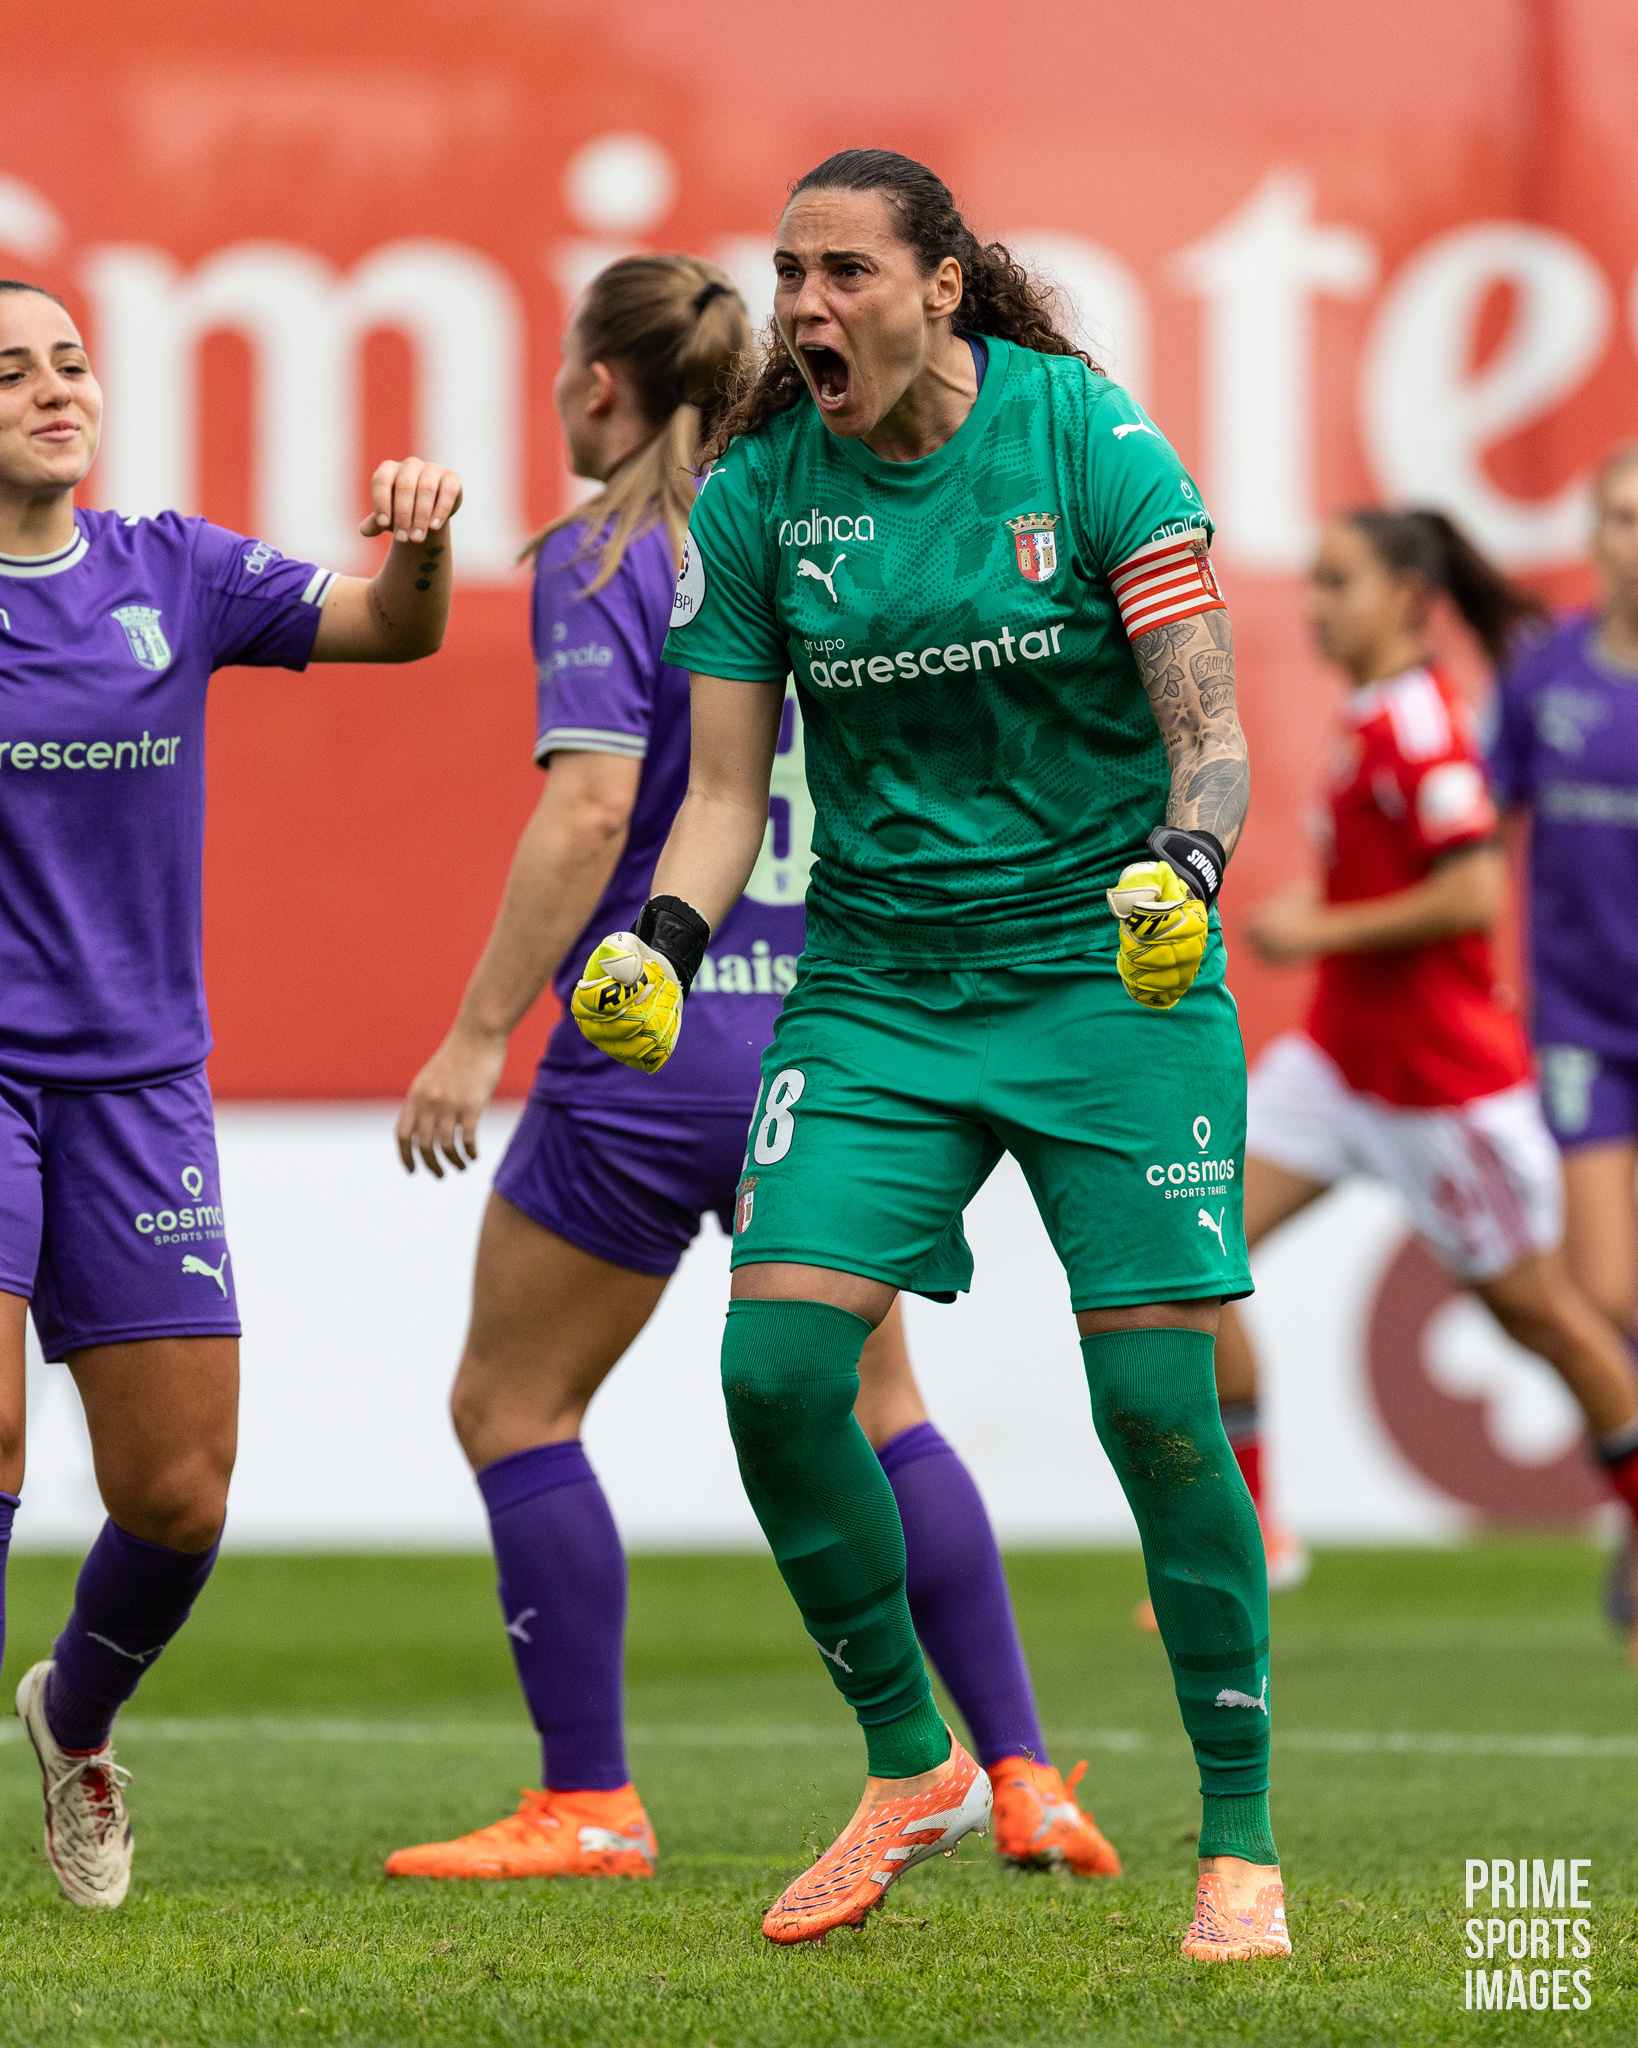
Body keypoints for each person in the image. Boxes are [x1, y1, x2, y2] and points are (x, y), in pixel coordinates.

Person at [573, 153, 1287, 1962]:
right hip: (880, 987)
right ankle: (914, 1763)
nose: (805, 306)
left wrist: (1186, 870)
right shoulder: (759, 496)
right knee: (775, 1370)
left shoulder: (1087, 440)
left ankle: (1238, 1841)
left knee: (1155, 1408)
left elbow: (1209, 736)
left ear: (942, 287)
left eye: (845, 272)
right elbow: (722, 794)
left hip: (1106, 974)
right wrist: (656, 943)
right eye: (786, 274)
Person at [381, 255, 1117, 1887]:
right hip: (826, 1043)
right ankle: (1022, 1775)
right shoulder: (813, 523)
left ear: (596, 385)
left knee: (511, 1401)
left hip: (651, 1051)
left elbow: (592, 807)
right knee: (882, 1403)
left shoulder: (605, 557)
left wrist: (480, 1028)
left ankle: (588, 1802)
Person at [0, 277, 463, 1908]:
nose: (54, 388)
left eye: (68, 361)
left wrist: (422, 544)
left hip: (138, 1086)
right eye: (10, 371)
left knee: (179, 1498)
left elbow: (399, 626)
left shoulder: (172, 570)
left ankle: (74, 1714)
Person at [1234, 507, 1638, 1651]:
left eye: (1339, 583)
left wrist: (1318, 927)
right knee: (1184, 1248)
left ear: (1408, 598)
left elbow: (1470, 891)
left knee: (1551, 1320)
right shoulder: (1367, 714)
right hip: (1340, 1063)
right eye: (1312, 581)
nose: (1315, 606)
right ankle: (1254, 1529)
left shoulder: (1421, 723)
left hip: (1444, 1089)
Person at [1488, 445, 1638, 1630]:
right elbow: (1480, 829)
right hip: (1587, 1023)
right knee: (1603, 1289)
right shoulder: (1547, 675)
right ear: (1594, 533)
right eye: (1622, 516)